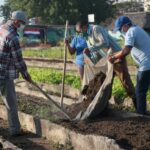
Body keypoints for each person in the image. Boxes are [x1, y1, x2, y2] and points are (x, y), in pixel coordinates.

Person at [82, 22, 136, 108]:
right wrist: (89, 59)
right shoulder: (88, 36)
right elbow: (97, 52)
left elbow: (105, 42)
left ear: (84, 27)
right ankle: (104, 107)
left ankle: (139, 107)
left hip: (117, 57)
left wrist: (90, 49)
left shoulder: (96, 29)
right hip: (108, 60)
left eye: (80, 30)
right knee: (106, 83)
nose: (80, 33)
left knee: (125, 82)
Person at [109, 16, 150, 115]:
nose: (120, 31)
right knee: (142, 90)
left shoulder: (131, 32)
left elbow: (126, 51)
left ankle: (141, 116)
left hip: (146, 64)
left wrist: (113, 57)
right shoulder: (137, 29)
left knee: (140, 91)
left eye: (120, 29)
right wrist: (115, 54)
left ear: (126, 25)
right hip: (148, 63)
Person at [0, 10, 32, 136]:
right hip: (4, 74)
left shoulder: (1, 28)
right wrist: (25, 74)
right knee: (11, 104)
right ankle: (15, 131)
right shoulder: (12, 37)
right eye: (22, 24)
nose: (22, 26)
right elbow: (18, 60)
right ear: (17, 21)